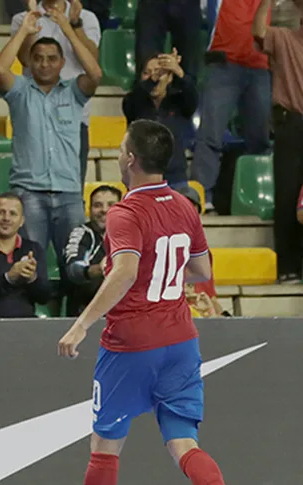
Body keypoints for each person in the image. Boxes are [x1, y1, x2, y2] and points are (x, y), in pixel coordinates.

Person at [57, 120, 228, 485]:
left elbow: (125, 272)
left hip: (132, 342)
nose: (119, 154)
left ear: (131, 159)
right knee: (184, 444)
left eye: (120, 149)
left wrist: (82, 323)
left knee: (105, 446)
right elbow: (201, 270)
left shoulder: (125, 212)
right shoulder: (184, 204)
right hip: (181, 340)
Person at [0, 11, 102, 280]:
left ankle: (75, 321)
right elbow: (0, 68)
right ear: (30, 62)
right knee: (31, 271)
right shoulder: (19, 91)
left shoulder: (73, 91)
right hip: (29, 194)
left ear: (62, 62)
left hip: (69, 194)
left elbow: (96, 72)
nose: (44, 64)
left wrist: (67, 29)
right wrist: (23, 31)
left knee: (77, 270)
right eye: (38, 58)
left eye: (52, 59)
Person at [193, 0, 271, 213]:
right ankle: (201, 197)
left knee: (260, 139)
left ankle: (261, 194)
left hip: (261, 66)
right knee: (210, 135)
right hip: (223, 64)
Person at [12, 0, 101, 185]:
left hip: (73, 117)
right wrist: (33, 18)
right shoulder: (22, 18)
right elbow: (25, 59)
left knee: (73, 186)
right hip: (34, 117)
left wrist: (73, 24)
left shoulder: (86, 17)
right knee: (32, 188)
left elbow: (93, 59)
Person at [253, 0, 303, 283]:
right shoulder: (284, 38)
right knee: (287, 194)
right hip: (292, 123)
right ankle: (288, 266)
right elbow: (259, 31)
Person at [122, 49, 197, 190]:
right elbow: (133, 98)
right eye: (146, 73)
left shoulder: (180, 103)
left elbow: (192, 96)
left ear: (169, 78)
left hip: (176, 179)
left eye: (160, 72)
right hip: (141, 179)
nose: (154, 76)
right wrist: (154, 78)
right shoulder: (135, 103)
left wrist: (179, 72)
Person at [63, 184, 121, 316]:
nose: (104, 210)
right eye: (97, 205)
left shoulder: (132, 235)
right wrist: (99, 269)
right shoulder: (82, 233)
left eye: (111, 204)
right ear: (89, 209)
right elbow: (73, 270)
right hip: (87, 314)